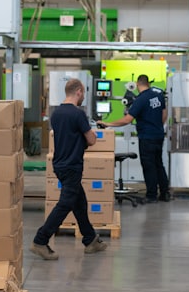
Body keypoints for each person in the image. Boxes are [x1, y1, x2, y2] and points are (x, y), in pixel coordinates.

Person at [31, 78, 107, 260]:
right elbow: (91, 140)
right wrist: (92, 134)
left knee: (80, 203)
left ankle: (90, 240)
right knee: (65, 204)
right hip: (72, 166)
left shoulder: (56, 114)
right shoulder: (78, 114)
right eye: (83, 93)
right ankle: (40, 241)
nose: (83, 97)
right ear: (79, 91)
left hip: (60, 164)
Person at [97, 74, 170, 203]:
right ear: (148, 83)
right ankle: (165, 194)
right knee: (159, 164)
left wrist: (108, 124)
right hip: (158, 135)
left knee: (149, 166)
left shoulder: (141, 99)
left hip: (147, 137)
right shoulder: (158, 93)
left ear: (137, 84)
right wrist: (158, 126)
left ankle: (151, 196)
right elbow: (164, 114)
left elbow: (128, 119)